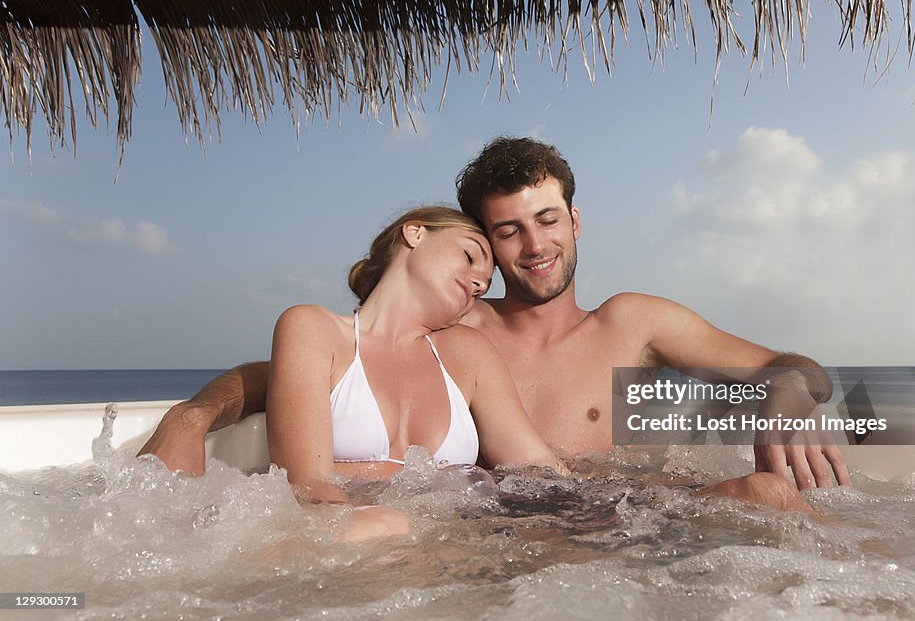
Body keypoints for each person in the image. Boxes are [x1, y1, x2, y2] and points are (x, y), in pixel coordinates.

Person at [139, 137, 846, 509]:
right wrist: (193, 415)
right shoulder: (459, 327)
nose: (535, 247)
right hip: (499, 537)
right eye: (506, 232)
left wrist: (784, 389)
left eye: (547, 221)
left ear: (574, 220)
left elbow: (799, 368)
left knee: (767, 493)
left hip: (625, 524)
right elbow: (297, 371)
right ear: (482, 243)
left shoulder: (635, 324)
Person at [261, 206, 564, 509]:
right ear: (414, 233)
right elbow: (308, 488)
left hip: (457, 545)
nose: (478, 284)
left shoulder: (470, 354)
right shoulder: (312, 329)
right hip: (350, 541)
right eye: (469, 256)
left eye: (482, 288)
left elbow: (538, 466)